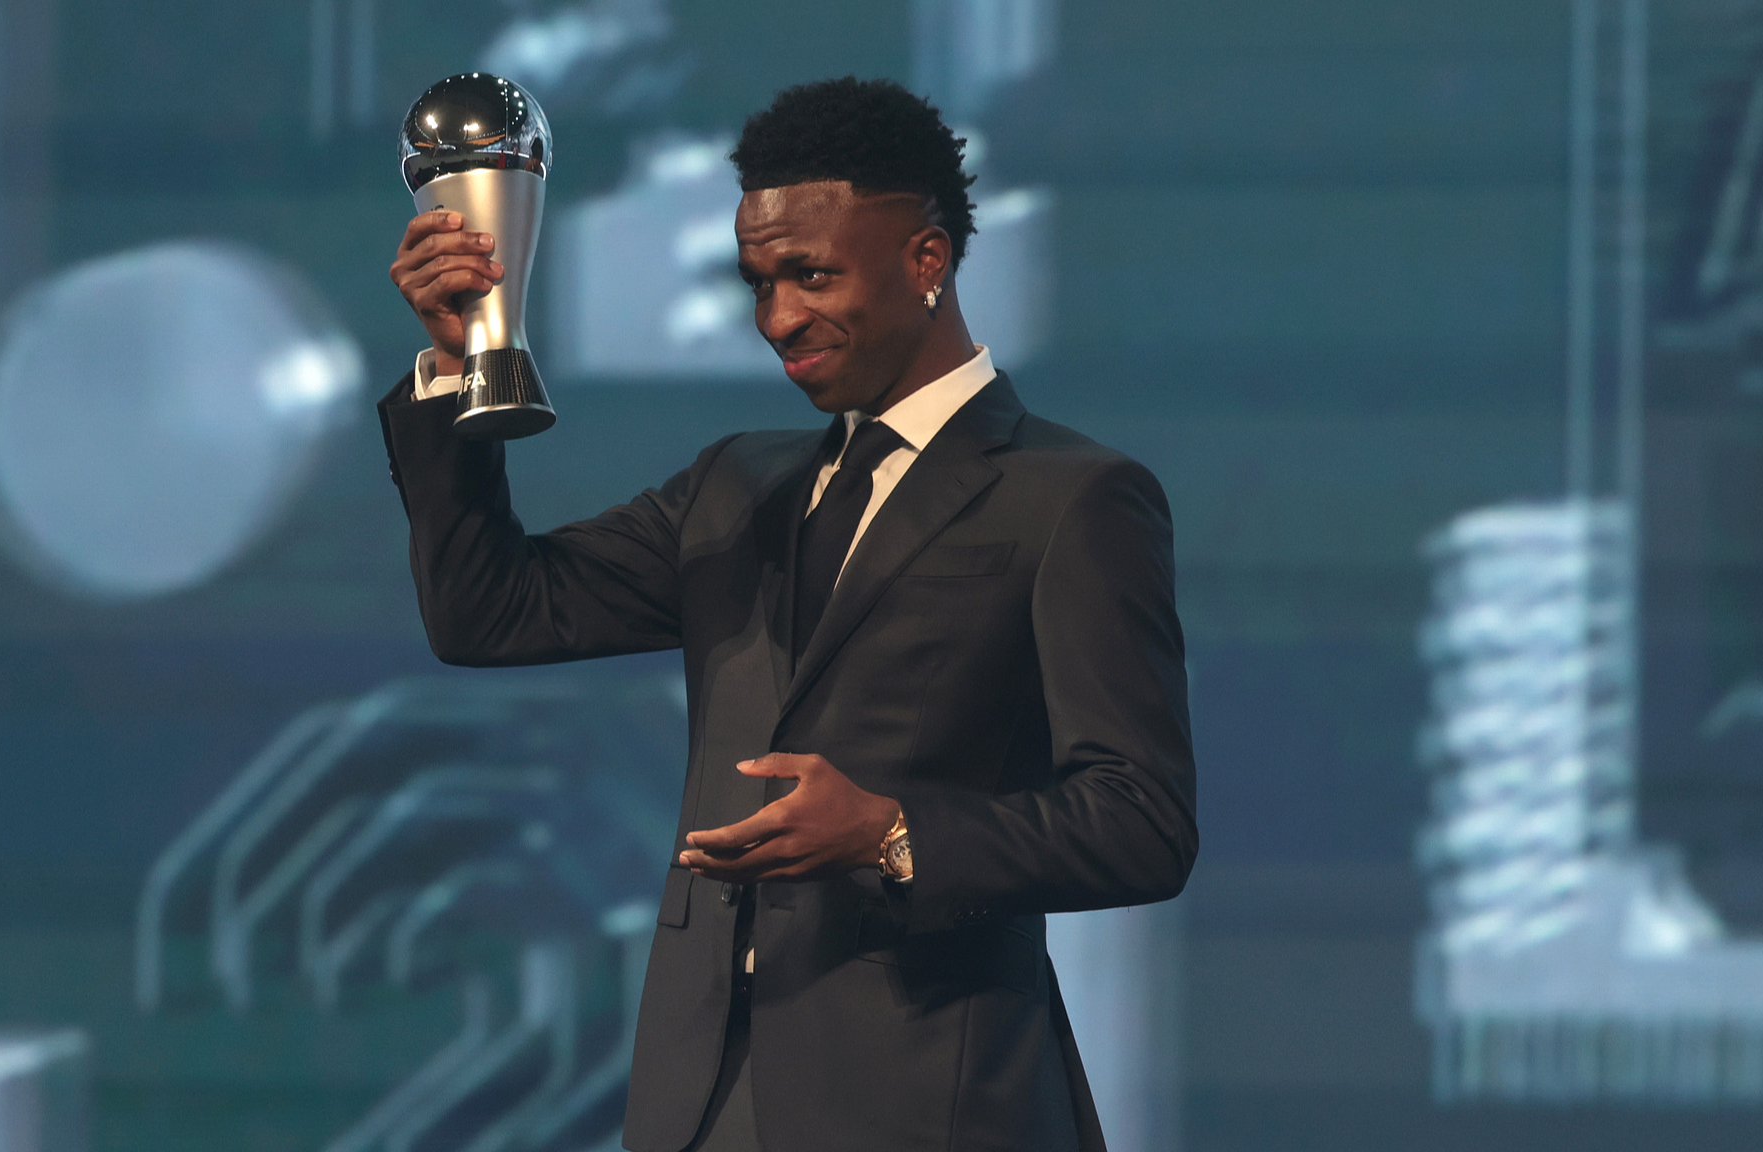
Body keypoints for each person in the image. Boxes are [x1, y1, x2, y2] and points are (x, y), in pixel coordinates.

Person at [379, 76, 1196, 1152]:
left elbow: (1139, 823)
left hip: (926, 1101)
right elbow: (491, 615)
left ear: (926, 261)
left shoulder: (1070, 497)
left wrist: (890, 834)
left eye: (810, 276)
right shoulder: (736, 485)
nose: (777, 319)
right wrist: (458, 364)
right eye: (757, 283)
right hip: (700, 1094)